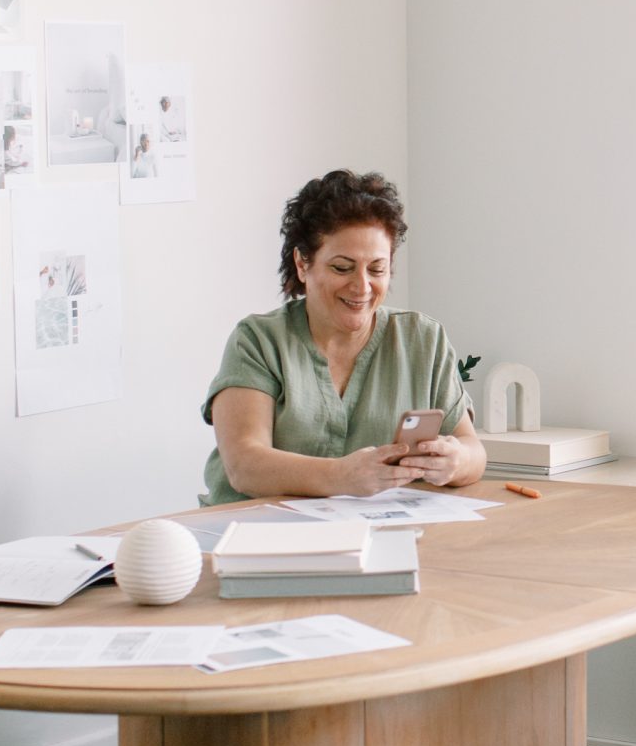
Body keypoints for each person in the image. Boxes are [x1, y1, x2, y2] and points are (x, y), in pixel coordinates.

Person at [201, 167, 486, 506]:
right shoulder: (258, 341)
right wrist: (342, 476)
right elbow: (244, 466)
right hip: (255, 531)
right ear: (302, 264)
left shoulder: (422, 339)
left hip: (376, 530)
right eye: (342, 268)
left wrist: (456, 462)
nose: (362, 287)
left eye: (377, 269)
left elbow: (473, 450)